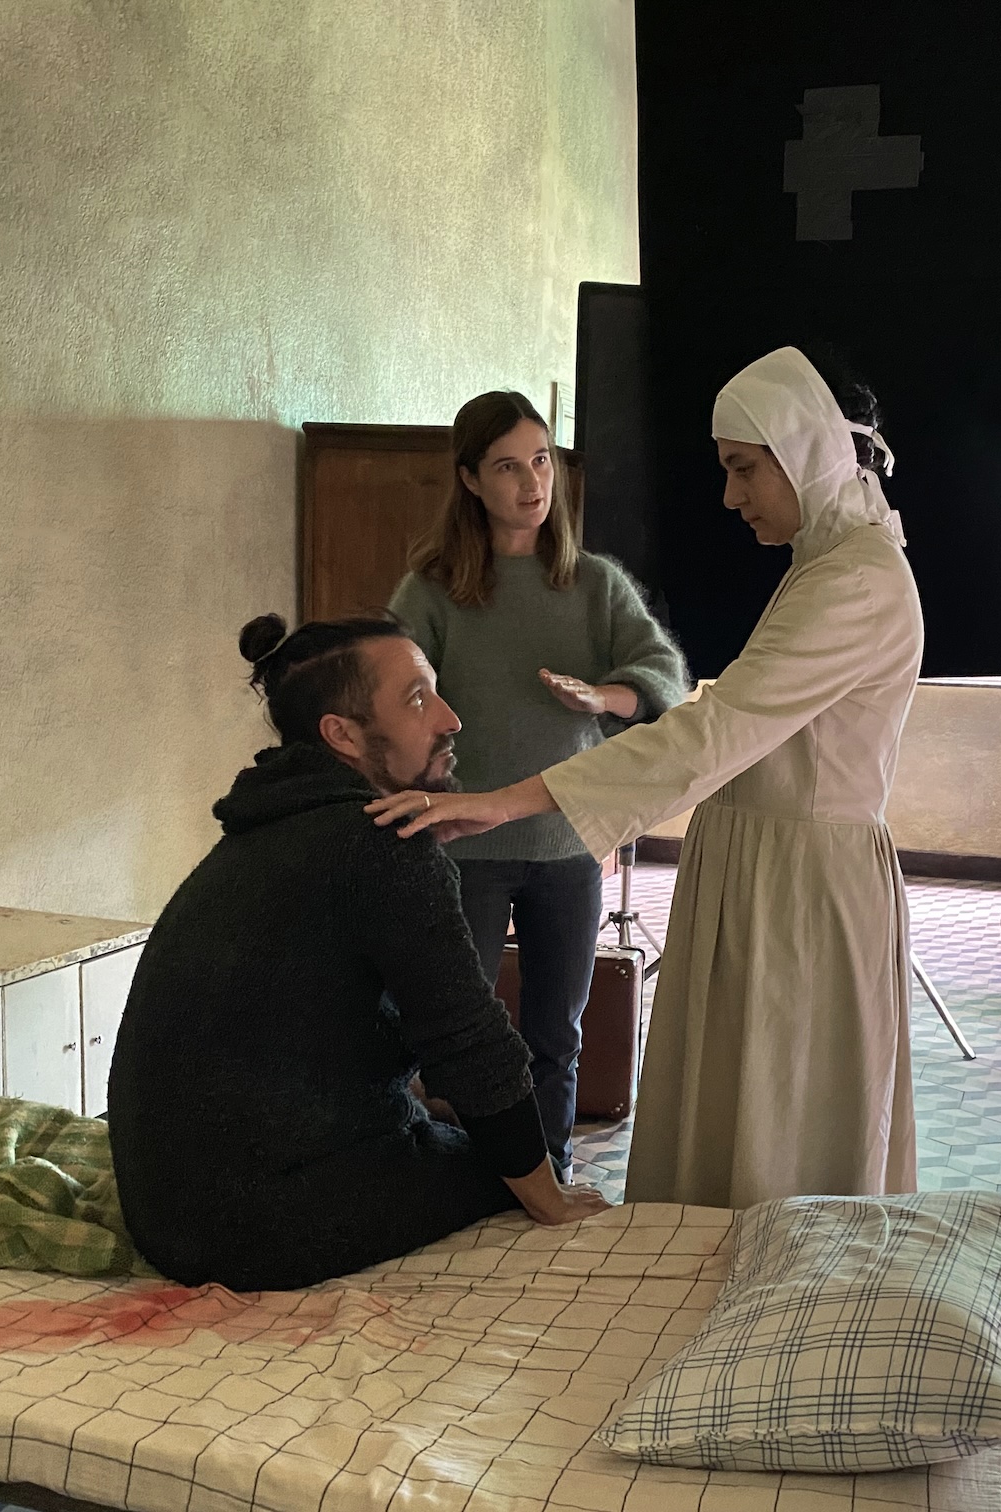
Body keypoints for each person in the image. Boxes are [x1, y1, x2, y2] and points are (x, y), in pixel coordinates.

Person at [370, 347, 925, 1209]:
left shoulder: (853, 579)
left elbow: (709, 729)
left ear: (804, 450)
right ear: (469, 480)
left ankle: (759, 1275)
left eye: (744, 468)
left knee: (781, 1117)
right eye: (507, 466)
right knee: (737, 1106)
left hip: (798, 886)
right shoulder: (826, 565)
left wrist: (512, 793)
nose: (731, 496)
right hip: (761, 866)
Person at [106, 612, 609, 1292]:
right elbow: (471, 1043)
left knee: (469, 1138)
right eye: (418, 699)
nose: (451, 718)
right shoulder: (377, 846)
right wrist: (549, 1200)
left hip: (168, 1211)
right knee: (511, 1175)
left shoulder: (272, 832)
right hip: (250, 1223)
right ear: (341, 734)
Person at [389, 392, 687, 1180]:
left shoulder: (594, 584)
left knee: (558, 1033)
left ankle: (549, 1173)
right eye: (507, 467)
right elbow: (390, 691)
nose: (532, 483)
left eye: (542, 460)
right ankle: (463, 1171)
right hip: (467, 848)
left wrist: (603, 698)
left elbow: (663, 675)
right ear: (469, 480)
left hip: (568, 846)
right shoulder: (431, 591)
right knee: (458, 1032)